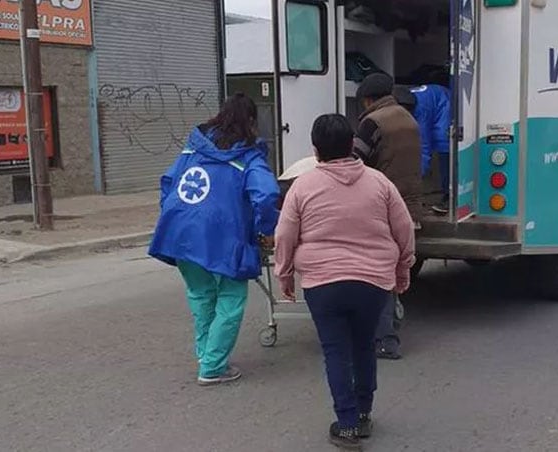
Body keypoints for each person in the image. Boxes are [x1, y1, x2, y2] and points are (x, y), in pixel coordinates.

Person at [274, 114, 416, 450]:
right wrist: (403, 268)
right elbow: (404, 229)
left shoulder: (303, 186)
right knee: (364, 345)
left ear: (315, 150)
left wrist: (285, 273)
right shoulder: (380, 183)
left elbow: (285, 235)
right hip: (372, 283)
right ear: (352, 145)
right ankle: (364, 414)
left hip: (323, 284)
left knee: (335, 352)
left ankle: (348, 424)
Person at [149, 93, 279, 386]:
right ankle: (212, 367)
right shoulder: (248, 156)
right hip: (224, 234)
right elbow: (267, 194)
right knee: (231, 298)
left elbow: (168, 182)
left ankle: (207, 355)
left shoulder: (192, 149)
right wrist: (267, 227)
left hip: (181, 231)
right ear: (251, 121)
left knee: (201, 294)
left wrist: (176, 218)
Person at [353, 73, 423, 361]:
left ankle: (385, 339)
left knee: (375, 272)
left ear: (368, 99)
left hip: (380, 206)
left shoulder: (373, 122)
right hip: (408, 205)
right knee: (391, 267)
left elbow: (354, 162)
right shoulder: (408, 119)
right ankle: (389, 324)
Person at [392, 83, 452, 214]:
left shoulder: (420, 110)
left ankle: (450, 197)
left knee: (443, 143)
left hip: (444, 103)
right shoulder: (400, 103)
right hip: (436, 96)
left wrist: (417, 178)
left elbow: (424, 146)